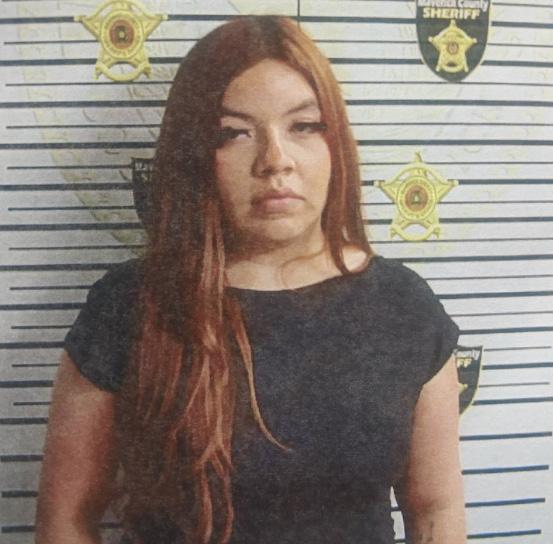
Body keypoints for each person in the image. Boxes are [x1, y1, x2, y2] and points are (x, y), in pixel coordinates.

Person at [35, 15, 466, 544]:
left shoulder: (404, 307)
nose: (275, 161)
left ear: (336, 141)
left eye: (304, 126)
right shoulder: (129, 304)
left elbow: (435, 510)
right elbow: (66, 519)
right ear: (196, 154)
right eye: (234, 133)